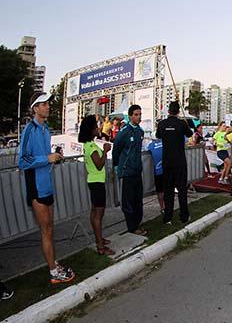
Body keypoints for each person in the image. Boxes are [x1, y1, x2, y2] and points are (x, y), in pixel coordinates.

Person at [19, 92, 75, 284]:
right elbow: (23, 161)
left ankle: (53, 264)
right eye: (43, 104)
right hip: (36, 188)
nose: (48, 107)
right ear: (35, 108)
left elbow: (42, 157)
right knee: (46, 231)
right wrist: (46, 158)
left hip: (47, 185)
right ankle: (53, 272)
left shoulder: (45, 129)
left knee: (50, 229)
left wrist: (54, 156)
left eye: (47, 104)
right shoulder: (29, 129)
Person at [78, 115, 115, 256]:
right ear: (91, 130)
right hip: (96, 182)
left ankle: (99, 239)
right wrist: (105, 151)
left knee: (95, 212)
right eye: (95, 126)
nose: (98, 128)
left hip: (94, 181)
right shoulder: (91, 146)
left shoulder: (89, 145)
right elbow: (99, 165)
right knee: (98, 214)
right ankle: (100, 247)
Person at [156, 101, 193, 224]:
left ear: (168, 111)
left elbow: (158, 136)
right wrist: (185, 124)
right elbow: (190, 134)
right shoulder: (182, 123)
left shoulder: (162, 124)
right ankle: (184, 216)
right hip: (180, 162)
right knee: (182, 190)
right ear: (178, 111)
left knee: (168, 191)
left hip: (167, 162)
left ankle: (168, 218)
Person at [112, 105, 146, 236]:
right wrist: (117, 165)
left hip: (137, 171)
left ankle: (137, 223)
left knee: (138, 200)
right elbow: (116, 149)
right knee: (128, 201)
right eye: (136, 114)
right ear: (130, 116)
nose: (138, 117)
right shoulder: (124, 131)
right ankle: (132, 227)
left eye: (140, 114)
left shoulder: (140, 132)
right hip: (127, 172)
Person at [147, 138, 165, 215]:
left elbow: (147, 151)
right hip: (167, 170)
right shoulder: (165, 142)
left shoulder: (151, 145)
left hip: (158, 172)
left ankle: (162, 208)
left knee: (160, 191)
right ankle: (167, 207)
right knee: (167, 190)